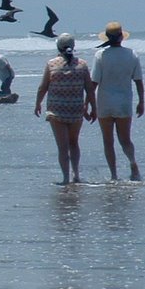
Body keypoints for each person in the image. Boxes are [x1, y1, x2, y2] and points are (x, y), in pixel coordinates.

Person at [34, 34, 96, 185]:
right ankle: (76, 175)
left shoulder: (52, 64)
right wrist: (93, 107)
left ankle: (65, 178)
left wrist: (38, 103)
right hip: (76, 109)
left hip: (57, 111)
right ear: (73, 47)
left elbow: (43, 87)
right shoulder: (82, 65)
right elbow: (89, 89)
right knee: (74, 143)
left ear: (58, 47)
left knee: (62, 146)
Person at [92, 21, 145, 181]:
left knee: (108, 141)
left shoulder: (100, 55)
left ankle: (114, 175)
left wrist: (87, 103)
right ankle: (133, 163)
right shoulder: (132, 54)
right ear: (122, 37)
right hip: (124, 102)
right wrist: (141, 101)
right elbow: (138, 80)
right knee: (125, 139)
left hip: (105, 102)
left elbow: (94, 82)